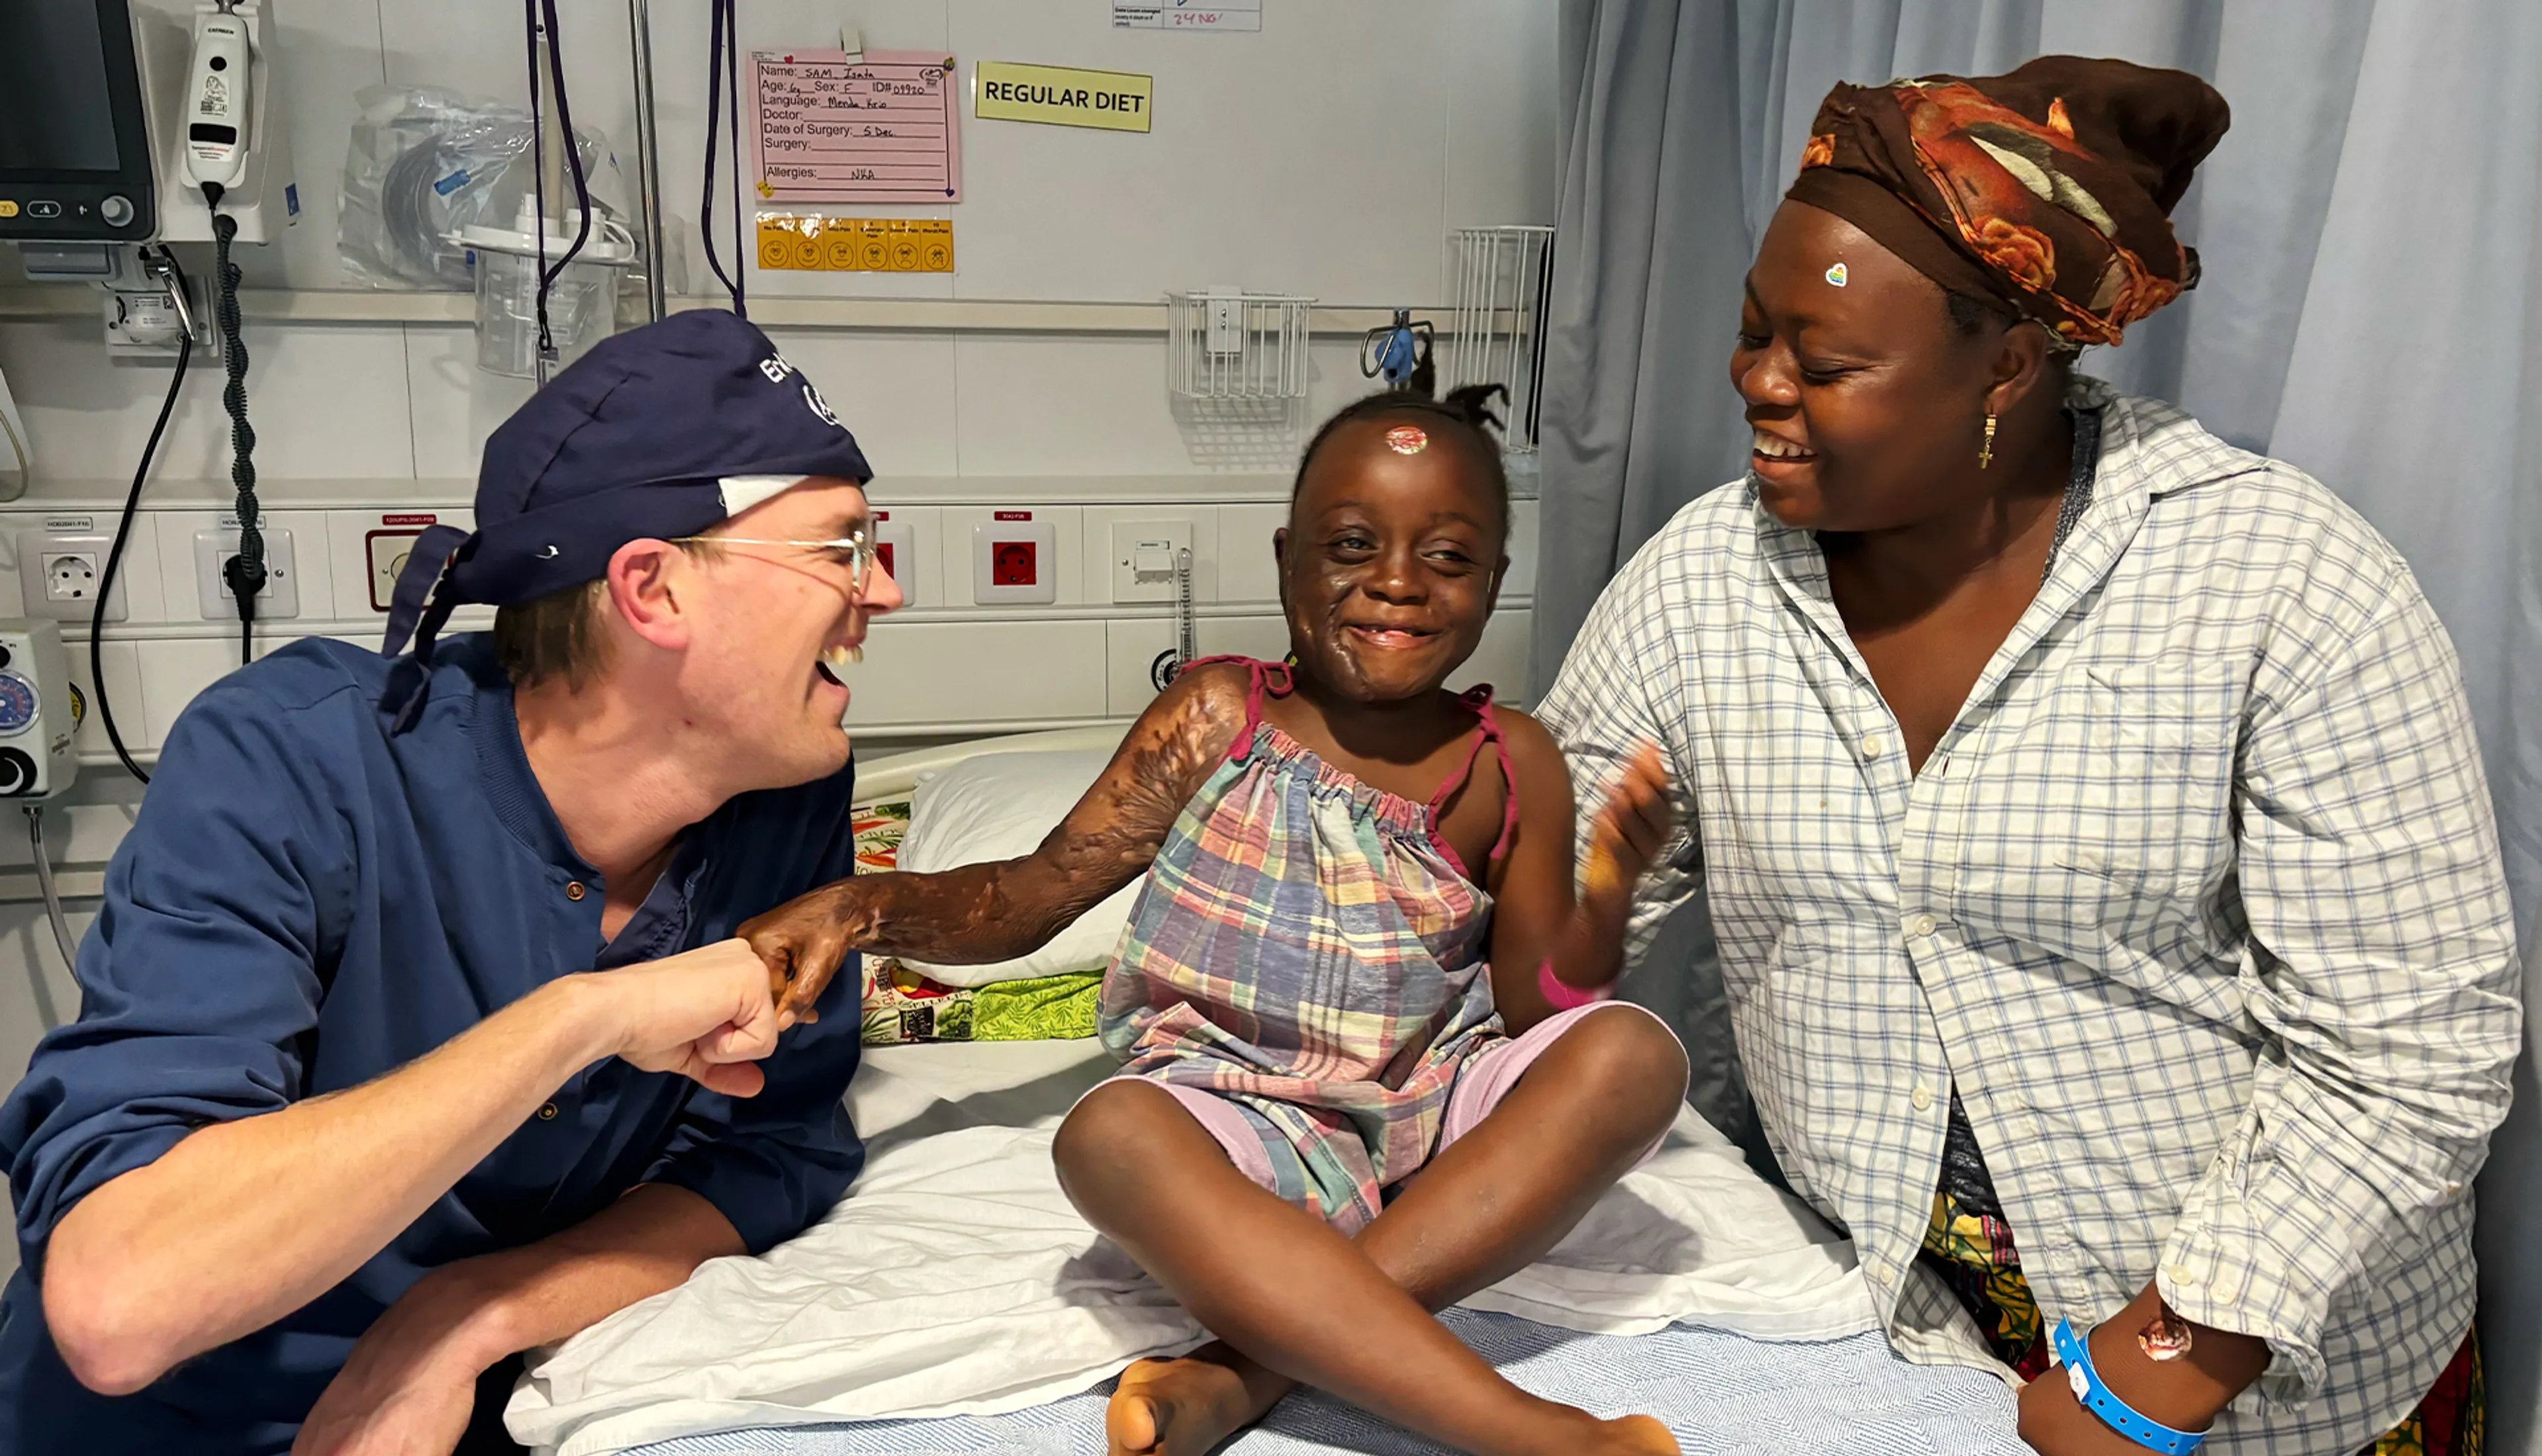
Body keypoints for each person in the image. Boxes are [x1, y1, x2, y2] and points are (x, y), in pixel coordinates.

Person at [1537, 56, 2519, 1456]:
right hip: (1898, 1349)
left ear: (2007, 362)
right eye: (1751, 334)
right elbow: (1537, 927)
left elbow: (2411, 1048)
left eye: (1822, 364)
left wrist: (2152, 1367)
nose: (1760, 386)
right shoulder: (1701, 585)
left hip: (2270, 1386)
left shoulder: (2280, 584)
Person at [0, 309, 905, 1455]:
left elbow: (767, 1152)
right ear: (651, 589)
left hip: (483, 1413)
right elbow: (119, 1307)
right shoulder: (294, 760)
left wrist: (466, 1318)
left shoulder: (784, 797)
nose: (881, 595)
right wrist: (587, 1017)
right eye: (841, 550)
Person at [745, 383, 1691, 1456]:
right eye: (1350, 545)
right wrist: (860, 904)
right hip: (1239, 1122)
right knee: (1109, 1135)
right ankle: (1528, 1430)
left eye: (1448, 557)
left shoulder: (1512, 762)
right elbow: (1025, 900)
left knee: (1632, 1056)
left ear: (1494, 585)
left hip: (1436, 1127)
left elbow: (1538, 1010)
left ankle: (1243, 1377)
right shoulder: (1214, 718)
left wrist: (1605, 893)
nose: (1395, 582)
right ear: (1287, 560)